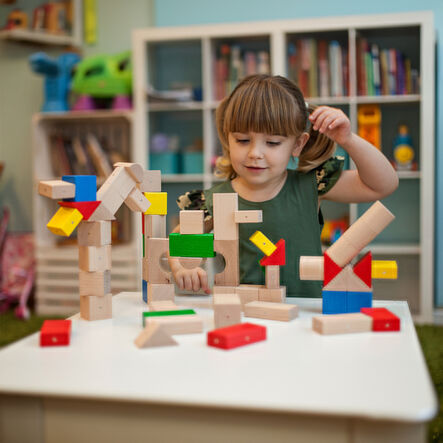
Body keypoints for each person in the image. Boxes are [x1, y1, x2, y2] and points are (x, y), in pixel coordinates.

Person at [168, 74, 398, 298]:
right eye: (242, 140)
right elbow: (176, 244)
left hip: (308, 311)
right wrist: (183, 268)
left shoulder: (312, 184)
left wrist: (348, 139)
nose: (255, 153)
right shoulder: (216, 200)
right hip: (247, 314)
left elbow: (382, 185)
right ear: (228, 139)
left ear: (298, 145)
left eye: (272, 142)